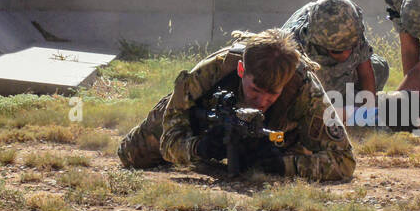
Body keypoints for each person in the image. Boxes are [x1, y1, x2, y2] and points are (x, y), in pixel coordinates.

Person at [116, 28, 355, 182]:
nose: (261, 102)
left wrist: (282, 165)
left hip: (277, 138)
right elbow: (170, 142)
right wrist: (198, 148)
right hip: (201, 125)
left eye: (272, 94)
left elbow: (344, 162)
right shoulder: (211, 72)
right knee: (131, 154)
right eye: (255, 90)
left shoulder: (305, 91)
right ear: (241, 70)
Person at [282, 0, 389, 98]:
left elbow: (365, 71)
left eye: (351, 46)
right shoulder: (294, 47)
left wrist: (368, 107)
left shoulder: (349, 25)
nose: (348, 53)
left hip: (342, 76)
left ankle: (348, 99)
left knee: (380, 68)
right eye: (338, 51)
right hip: (310, 79)